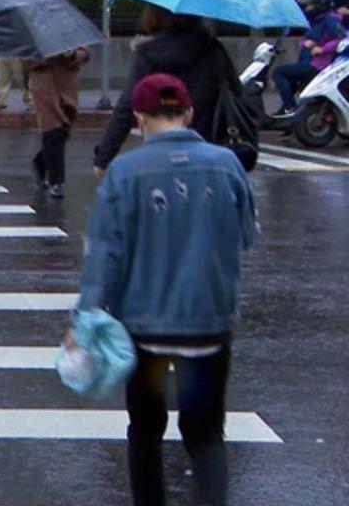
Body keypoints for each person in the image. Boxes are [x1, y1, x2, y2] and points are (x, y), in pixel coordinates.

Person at [74, 73, 257, 506]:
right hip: (211, 324)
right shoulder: (226, 164)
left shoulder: (124, 172)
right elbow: (246, 235)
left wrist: (85, 316)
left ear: (138, 117)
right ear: (189, 113)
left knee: (145, 430)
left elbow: (105, 255)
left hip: (144, 327)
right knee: (207, 432)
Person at [93, 6, 240, 176]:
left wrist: (104, 157)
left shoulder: (149, 53)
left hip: (160, 153)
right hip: (209, 149)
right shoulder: (213, 50)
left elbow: (127, 106)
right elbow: (236, 94)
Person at [26, 47, 89, 199]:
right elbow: (26, 58)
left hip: (66, 82)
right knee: (52, 129)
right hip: (43, 82)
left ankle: (40, 162)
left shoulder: (68, 29)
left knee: (64, 129)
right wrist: (47, 54)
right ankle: (57, 182)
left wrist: (72, 55)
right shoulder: (33, 32)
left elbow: (85, 53)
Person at [271, 0, 345, 115]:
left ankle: (290, 108)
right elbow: (306, 39)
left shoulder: (331, 21)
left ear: (319, 5)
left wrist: (321, 49)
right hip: (308, 61)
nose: (307, 9)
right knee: (290, 80)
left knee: (279, 72)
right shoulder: (315, 21)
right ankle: (287, 112)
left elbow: (341, 39)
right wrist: (306, 43)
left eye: (310, 6)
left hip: (319, 65)